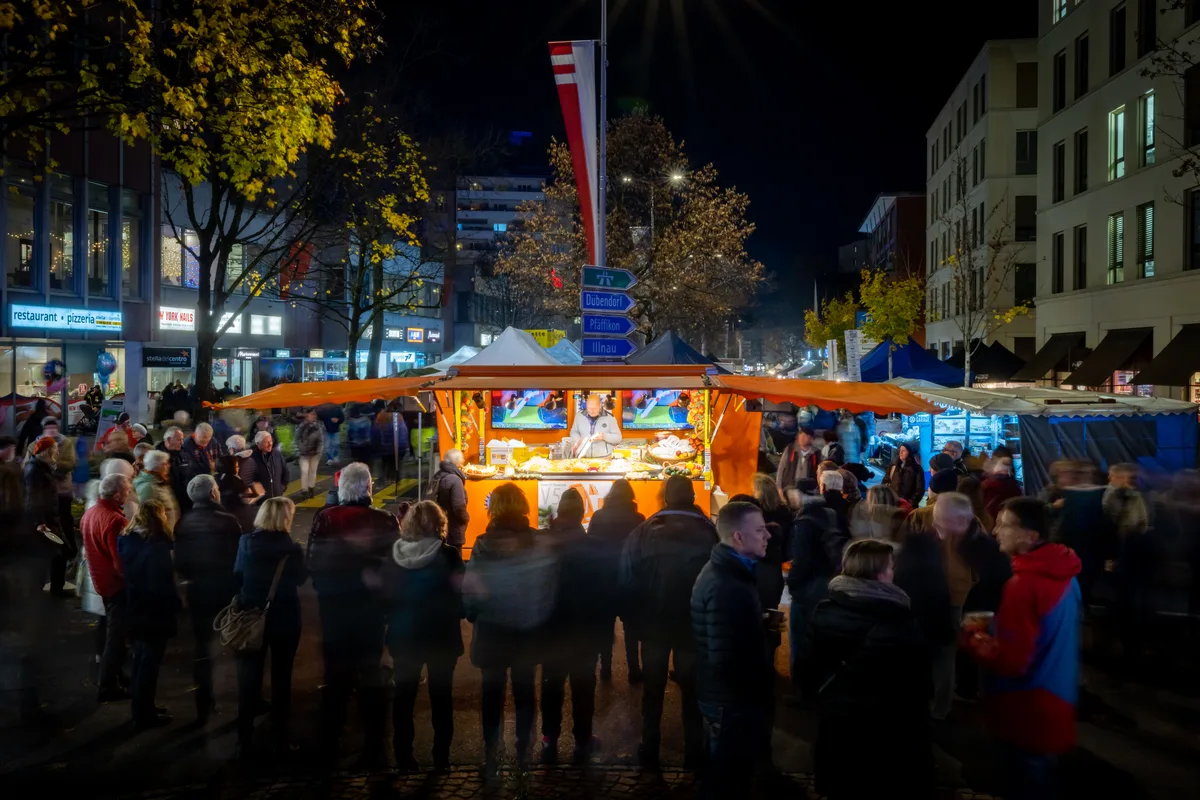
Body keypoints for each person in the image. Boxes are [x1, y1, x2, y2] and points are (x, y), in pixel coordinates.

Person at [963, 497, 1082, 800]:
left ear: (1031, 536)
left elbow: (1011, 662)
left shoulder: (1023, 586)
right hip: (1057, 697)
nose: (995, 531)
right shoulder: (1066, 573)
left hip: (1024, 707)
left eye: (1004, 525)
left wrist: (974, 638)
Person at [810, 540, 933, 799]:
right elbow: (916, 679)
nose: (894, 572)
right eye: (890, 566)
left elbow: (813, 663)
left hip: (838, 714)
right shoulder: (897, 619)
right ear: (876, 573)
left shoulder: (825, 609)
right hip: (884, 723)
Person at [619, 475, 717, 770]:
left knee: (653, 689)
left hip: (654, 623)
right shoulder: (709, 531)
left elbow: (627, 577)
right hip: (692, 624)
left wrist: (632, 620)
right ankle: (694, 753)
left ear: (665, 497)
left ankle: (650, 749)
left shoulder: (644, 530)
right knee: (692, 689)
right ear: (692, 496)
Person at [307, 462, 399, 768]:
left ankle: (329, 744)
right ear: (369, 487)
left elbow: (313, 563)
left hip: (334, 609)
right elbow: (393, 566)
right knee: (370, 673)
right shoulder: (384, 520)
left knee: (336, 678)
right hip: (370, 612)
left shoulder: (325, 518)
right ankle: (375, 746)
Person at [464, 482, 558, 775]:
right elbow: (547, 585)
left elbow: (472, 591)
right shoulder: (536, 541)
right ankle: (523, 754)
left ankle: (491, 754)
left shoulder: (481, 544)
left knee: (491, 695)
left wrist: (471, 614)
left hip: (492, 631)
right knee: (524, 693)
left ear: (494, 509)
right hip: (526, 631)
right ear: (523, 507)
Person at [691, 501, 774, 797]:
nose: (768, 536)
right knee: (728, 780)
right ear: (738, 537)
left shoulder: (730, 573)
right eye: (760, 530)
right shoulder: (728, 583)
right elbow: (726, 657)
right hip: (731, 702)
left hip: (726, 698)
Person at [381, 501, 464, 772]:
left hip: (405, 634)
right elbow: (461, 594)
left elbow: (385, 597)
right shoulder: (449, 555)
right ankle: (441, 758)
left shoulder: (394, 555)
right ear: (440, 524)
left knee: (404, 697)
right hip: (441, 635)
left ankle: (403, 755)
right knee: (442, 698)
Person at [232, 497, 307, 758]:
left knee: (249, 678)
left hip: (252, 617)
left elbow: (238, 574)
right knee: (281, 678)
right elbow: (300, 579)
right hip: (285, 617)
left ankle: (244, 739)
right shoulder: (292, 549)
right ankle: (280, 738)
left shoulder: (246, 543)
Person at [540, 488, 607, 765]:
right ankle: (582, 740)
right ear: (582, 513)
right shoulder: (592, 546)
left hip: (551, 627)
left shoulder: (544, 543)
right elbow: (601, 592)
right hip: (582, 630)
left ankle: (549, 739)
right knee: (583, 686)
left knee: (551, 684)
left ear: (559, 511)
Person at [173, 474, 244, 723]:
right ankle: (247, 700)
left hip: (198, 593)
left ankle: (204, 704)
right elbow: (240, 559)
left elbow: (180, 563)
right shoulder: (228, 521)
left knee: (202, 650)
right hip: (226, 591)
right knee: (239, 646)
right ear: (214, 494)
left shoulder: (183, 523)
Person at [118, 499, 181, 729]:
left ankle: (143, 707)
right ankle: (144, 714)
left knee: (140, 660)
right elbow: (162, 582)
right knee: (149, 664)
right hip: (155, 611)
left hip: (135, 606)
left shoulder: (127, 539)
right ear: (159, 516)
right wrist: (175, 604)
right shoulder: (158, 546)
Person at [80, 473, 133, 702]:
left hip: (100, 581)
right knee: (117, 637)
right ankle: (107, 685)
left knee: (113, 633)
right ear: (117, 494)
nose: (129, 494)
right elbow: (119, 561)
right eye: (127, 491)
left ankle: (116, 676)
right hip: (115, 585)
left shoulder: (90, 513)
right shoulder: (115, 520)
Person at [588, 478, 646, 682]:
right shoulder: (638, 518)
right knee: (631, 627)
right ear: (631, 496)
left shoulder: (598, 516)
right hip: (629, 578)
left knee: (605, 624)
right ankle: (633, 668)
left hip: (605, 577)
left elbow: (591, 546)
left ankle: (605, 668)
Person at [428, 448, 469, 553]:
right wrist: (466, 519)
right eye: (462, 459)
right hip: (453, 527)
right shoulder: (455, 480)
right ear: (457, 462)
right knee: (455, 557)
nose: (464, 461)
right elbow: (459, 506)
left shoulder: (438, 475)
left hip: (439, 525)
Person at [134, 450, 180, 527]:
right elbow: (148, 516)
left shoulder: (160, 481)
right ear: (155, 466)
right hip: (161, 533)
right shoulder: (148, 487)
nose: (169, 466)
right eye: (165, 464)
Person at [569, 392, 622, 458]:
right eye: (589, 408)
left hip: (604, 458)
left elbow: (618, 438)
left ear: (600, 405)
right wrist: (577, 440)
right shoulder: (579, 416)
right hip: (583, 457)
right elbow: (574, 432)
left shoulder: (610, 418)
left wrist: (604, 436)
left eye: (594, 408)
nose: (591, 411)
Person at [242, 430, 290, 500]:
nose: (270, 444)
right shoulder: (251, 459)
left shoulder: (277, 454)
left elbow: (285, 471)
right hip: (262, 500)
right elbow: (249, 479)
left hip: (278, 495)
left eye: (271, 441)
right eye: (266, 442)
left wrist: (282, 487)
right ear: (258, 444)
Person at [776, 425, 819, 493]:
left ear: (811, 439)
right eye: (800, 434)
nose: (801, 437)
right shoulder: (790, 449)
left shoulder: (817, 454)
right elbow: (781, 469)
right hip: (789, 489)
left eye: (805, 436)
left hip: (808, 492)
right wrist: (779, 488)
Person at [295, 407, 325, 501]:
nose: (313, 416)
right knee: (304, 471)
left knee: (312, 471)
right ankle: (305, 490)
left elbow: (321, 440)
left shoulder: (318, 427)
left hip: (315, 453)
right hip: (304, 453)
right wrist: (300, 448)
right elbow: (297, 438)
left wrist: (319, 450)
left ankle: (311, 488)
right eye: (311, 414)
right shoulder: (301, 426)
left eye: (314, 415)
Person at [884, 442, 925, 508]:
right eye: (900, 450)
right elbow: (885, 481)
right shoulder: (894, 466)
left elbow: (919, 490)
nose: (901, 453)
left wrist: (910, 503)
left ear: (909, 452)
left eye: (903, 450)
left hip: (908, 506)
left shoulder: (917, 469)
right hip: (892, 504)